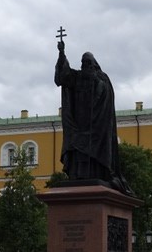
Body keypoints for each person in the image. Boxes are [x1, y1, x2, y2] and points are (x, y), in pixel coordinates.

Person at [54, 39, 130, 192]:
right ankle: (78, 175)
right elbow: (64, 77)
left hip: (97, 123)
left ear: (94, 64)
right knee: (77, 147)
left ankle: (98, 173)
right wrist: (62, 53)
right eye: (83, 62)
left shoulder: (101, 78)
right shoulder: (78, 77)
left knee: (95, 149)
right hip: (79, 123)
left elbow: (105, 96)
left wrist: (96, 84)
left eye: (88, 62)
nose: (85, 65)